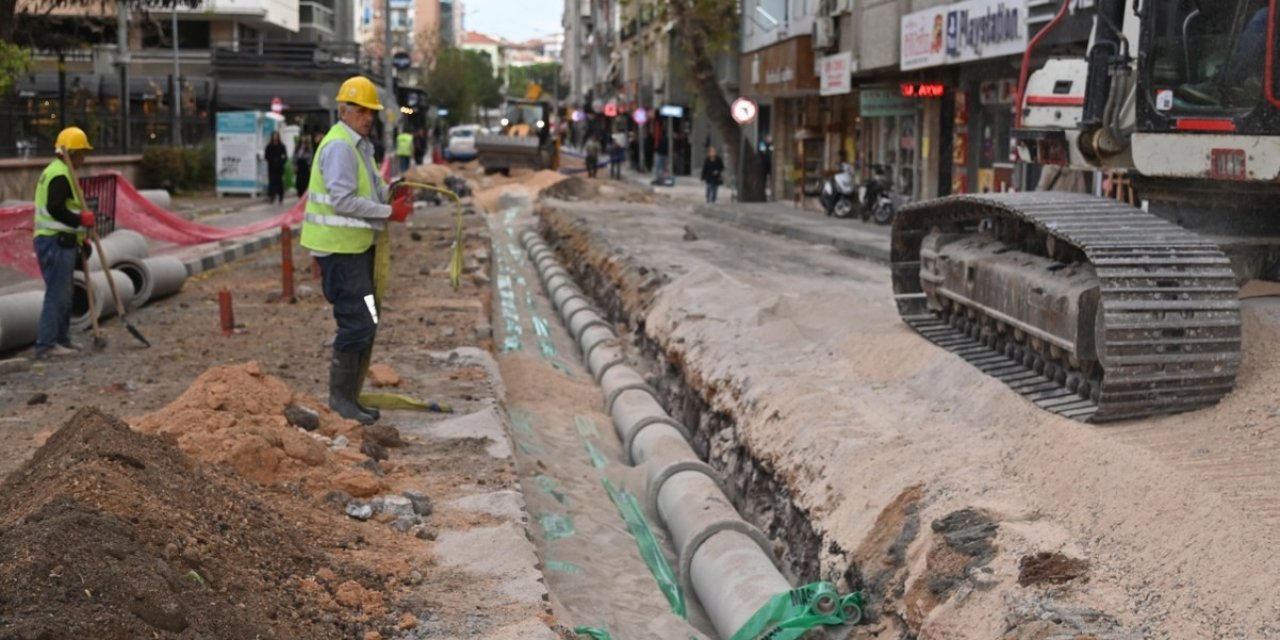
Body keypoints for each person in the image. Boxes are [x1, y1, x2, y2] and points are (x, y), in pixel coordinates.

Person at [301, 75, 414, 425]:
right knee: (357, 322)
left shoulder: (360, 146)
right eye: (361, 111)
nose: (367, 117)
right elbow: (343, 200)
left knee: (368, 317)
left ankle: (349, 397)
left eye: (371, 112)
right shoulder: (339, 147)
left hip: (356, 251)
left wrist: (390, 193)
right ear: (344, 110)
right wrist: (387, 212)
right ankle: (340, 401)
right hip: (340, 253)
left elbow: (371, 190)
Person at [32, 126, 97, 359]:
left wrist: (81, 237)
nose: (84, 158)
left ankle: (61, 339)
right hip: (54, 242)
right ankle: (47, 345)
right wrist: (80, 219)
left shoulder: (62, 171)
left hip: (63, 242)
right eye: (82, 153)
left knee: (65, 293)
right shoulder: (59, 174)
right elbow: (55, 208)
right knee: (57, 293)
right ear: (72, 152)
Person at [265, 131, 287, 203]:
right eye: (274, 136)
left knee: (279, 181)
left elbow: (284, 156)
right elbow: (267, 156)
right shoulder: (269, 146)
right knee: (272, 181)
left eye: (276, 136)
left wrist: (281, 161)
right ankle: (272, 195)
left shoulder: (282, 146)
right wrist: (271, 160)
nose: (275, 137)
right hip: (271, 166)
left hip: (279, 167)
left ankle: (280, 195)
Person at [293, 133, 313, 197]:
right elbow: (295, 156)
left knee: (305, 181)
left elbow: (310, 156)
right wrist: (294, 165)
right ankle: (299, 193)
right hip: (299, 166)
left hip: (305, 166)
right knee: (299, 182)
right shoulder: (298, 147)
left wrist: (309, 164)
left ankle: (304, 194)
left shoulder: (308, 147)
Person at [759, 135, 774, 199]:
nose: (770, 140)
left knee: (770, 178)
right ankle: (763, 194)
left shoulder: (770, 144)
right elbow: (763, 152)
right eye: (769, 138)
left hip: (769, 163)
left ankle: (769, 193)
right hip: (764, 163)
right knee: (764, 178)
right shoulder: (762, 143)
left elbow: (772, 150)